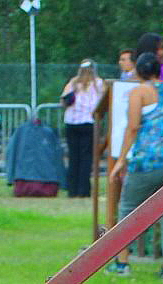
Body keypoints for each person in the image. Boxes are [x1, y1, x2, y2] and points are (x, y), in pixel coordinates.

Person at [109, 36, 163, 283]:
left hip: (148, 161)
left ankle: (122, 261)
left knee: (128, 207)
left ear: (139, 71)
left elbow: (133, 128)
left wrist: (121, 160)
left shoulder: (139, 93)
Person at [60, 59, 104, 198]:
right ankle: (83, 189)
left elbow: (63, 100)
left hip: (71, 122)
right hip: (89, 122)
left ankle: (72, 189)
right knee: (86, 157)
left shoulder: (73, 83)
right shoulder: (98, 83)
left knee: (74, 156)